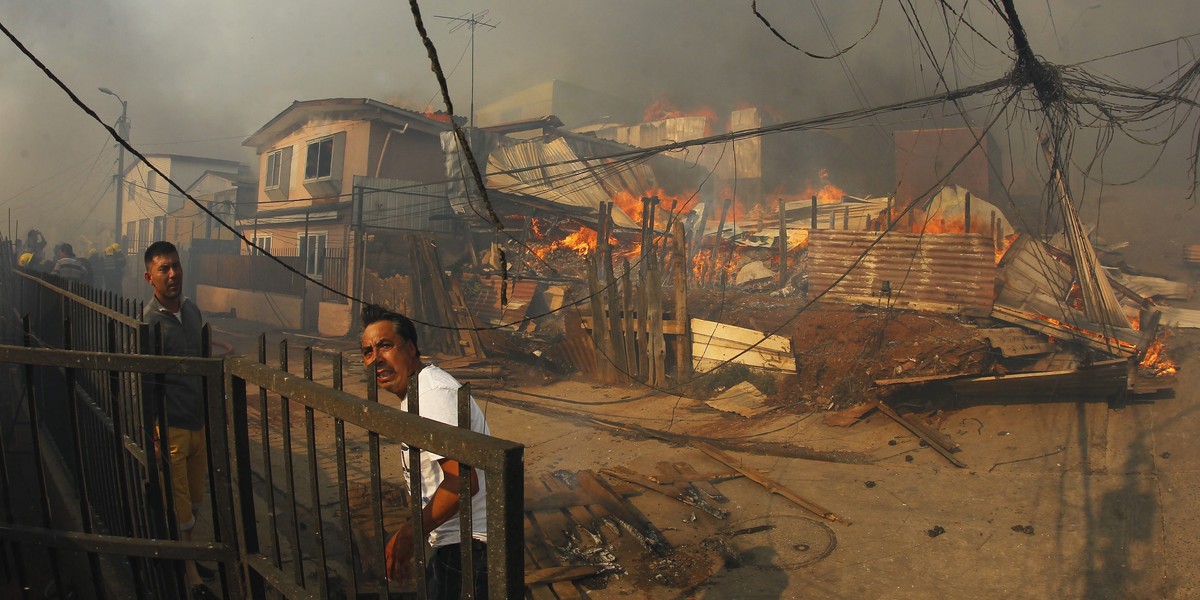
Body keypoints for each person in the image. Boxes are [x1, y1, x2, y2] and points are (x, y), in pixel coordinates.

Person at [360, 304, 491, 599]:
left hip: (470, 549)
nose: (376, 359)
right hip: (457, 544)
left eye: (385, 346)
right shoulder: (419, 392)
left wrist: (410, 533)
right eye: (368, 352)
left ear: (410, 349)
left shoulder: (431, 395)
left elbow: (463, 481)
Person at [142, 241, 213, 595]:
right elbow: (145, 380)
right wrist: (152, 430)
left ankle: (185, 554)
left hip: (197, 422)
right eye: (163, 269)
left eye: (176, 266)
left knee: (196, 501)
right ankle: (191, 577)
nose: (172, 274)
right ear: (149, 277)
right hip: (169, 427)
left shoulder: (192, 311)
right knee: (181, 505)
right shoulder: (150, 321)